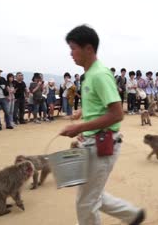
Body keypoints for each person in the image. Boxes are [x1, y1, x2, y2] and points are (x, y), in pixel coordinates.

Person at [59, 25, 145, 225]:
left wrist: (79, 127)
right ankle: (132, 215)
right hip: (92, 142)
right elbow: (100, 104)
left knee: (86, 202)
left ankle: (131, 214)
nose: (70, 53)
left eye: (73, 48)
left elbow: (117, 114)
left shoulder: (99, 75)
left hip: (101, 144)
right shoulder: (89, 75)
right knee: (91, 194)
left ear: (88, 48)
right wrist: (83, 112)